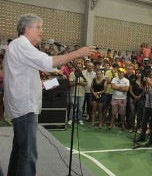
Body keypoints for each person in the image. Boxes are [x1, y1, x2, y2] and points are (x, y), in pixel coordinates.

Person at [4, 13, 96, 176]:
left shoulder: (21, 48)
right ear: (27, 29)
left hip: (22, 107)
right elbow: (47, 62)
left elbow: (31, 82)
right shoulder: (21, 45)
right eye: (38, 27)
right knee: (27, 157)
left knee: (19, 153)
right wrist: (78, 53)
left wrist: (52, 83)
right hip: (25, 109)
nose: (41, 31)